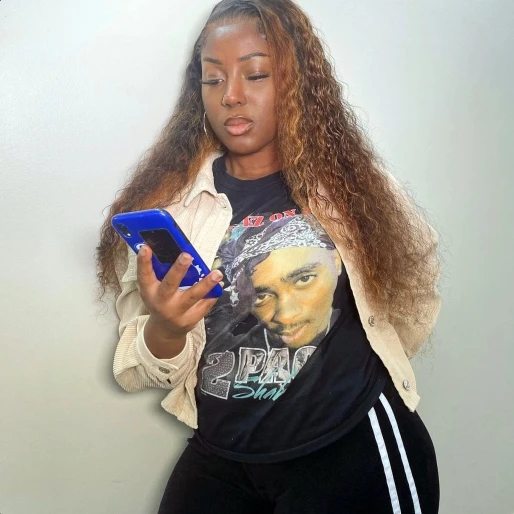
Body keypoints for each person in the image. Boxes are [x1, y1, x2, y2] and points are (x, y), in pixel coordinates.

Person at [97, 0, 441, 512]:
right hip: (224, 456)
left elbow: (413, 289)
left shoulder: (354, 189)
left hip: (350, 445)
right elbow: (138, 368)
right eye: (213, 79)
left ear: (295, 81)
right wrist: (166, 329)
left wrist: (367, 365)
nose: (231, 95)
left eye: (255, 74)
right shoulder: (174, 210)